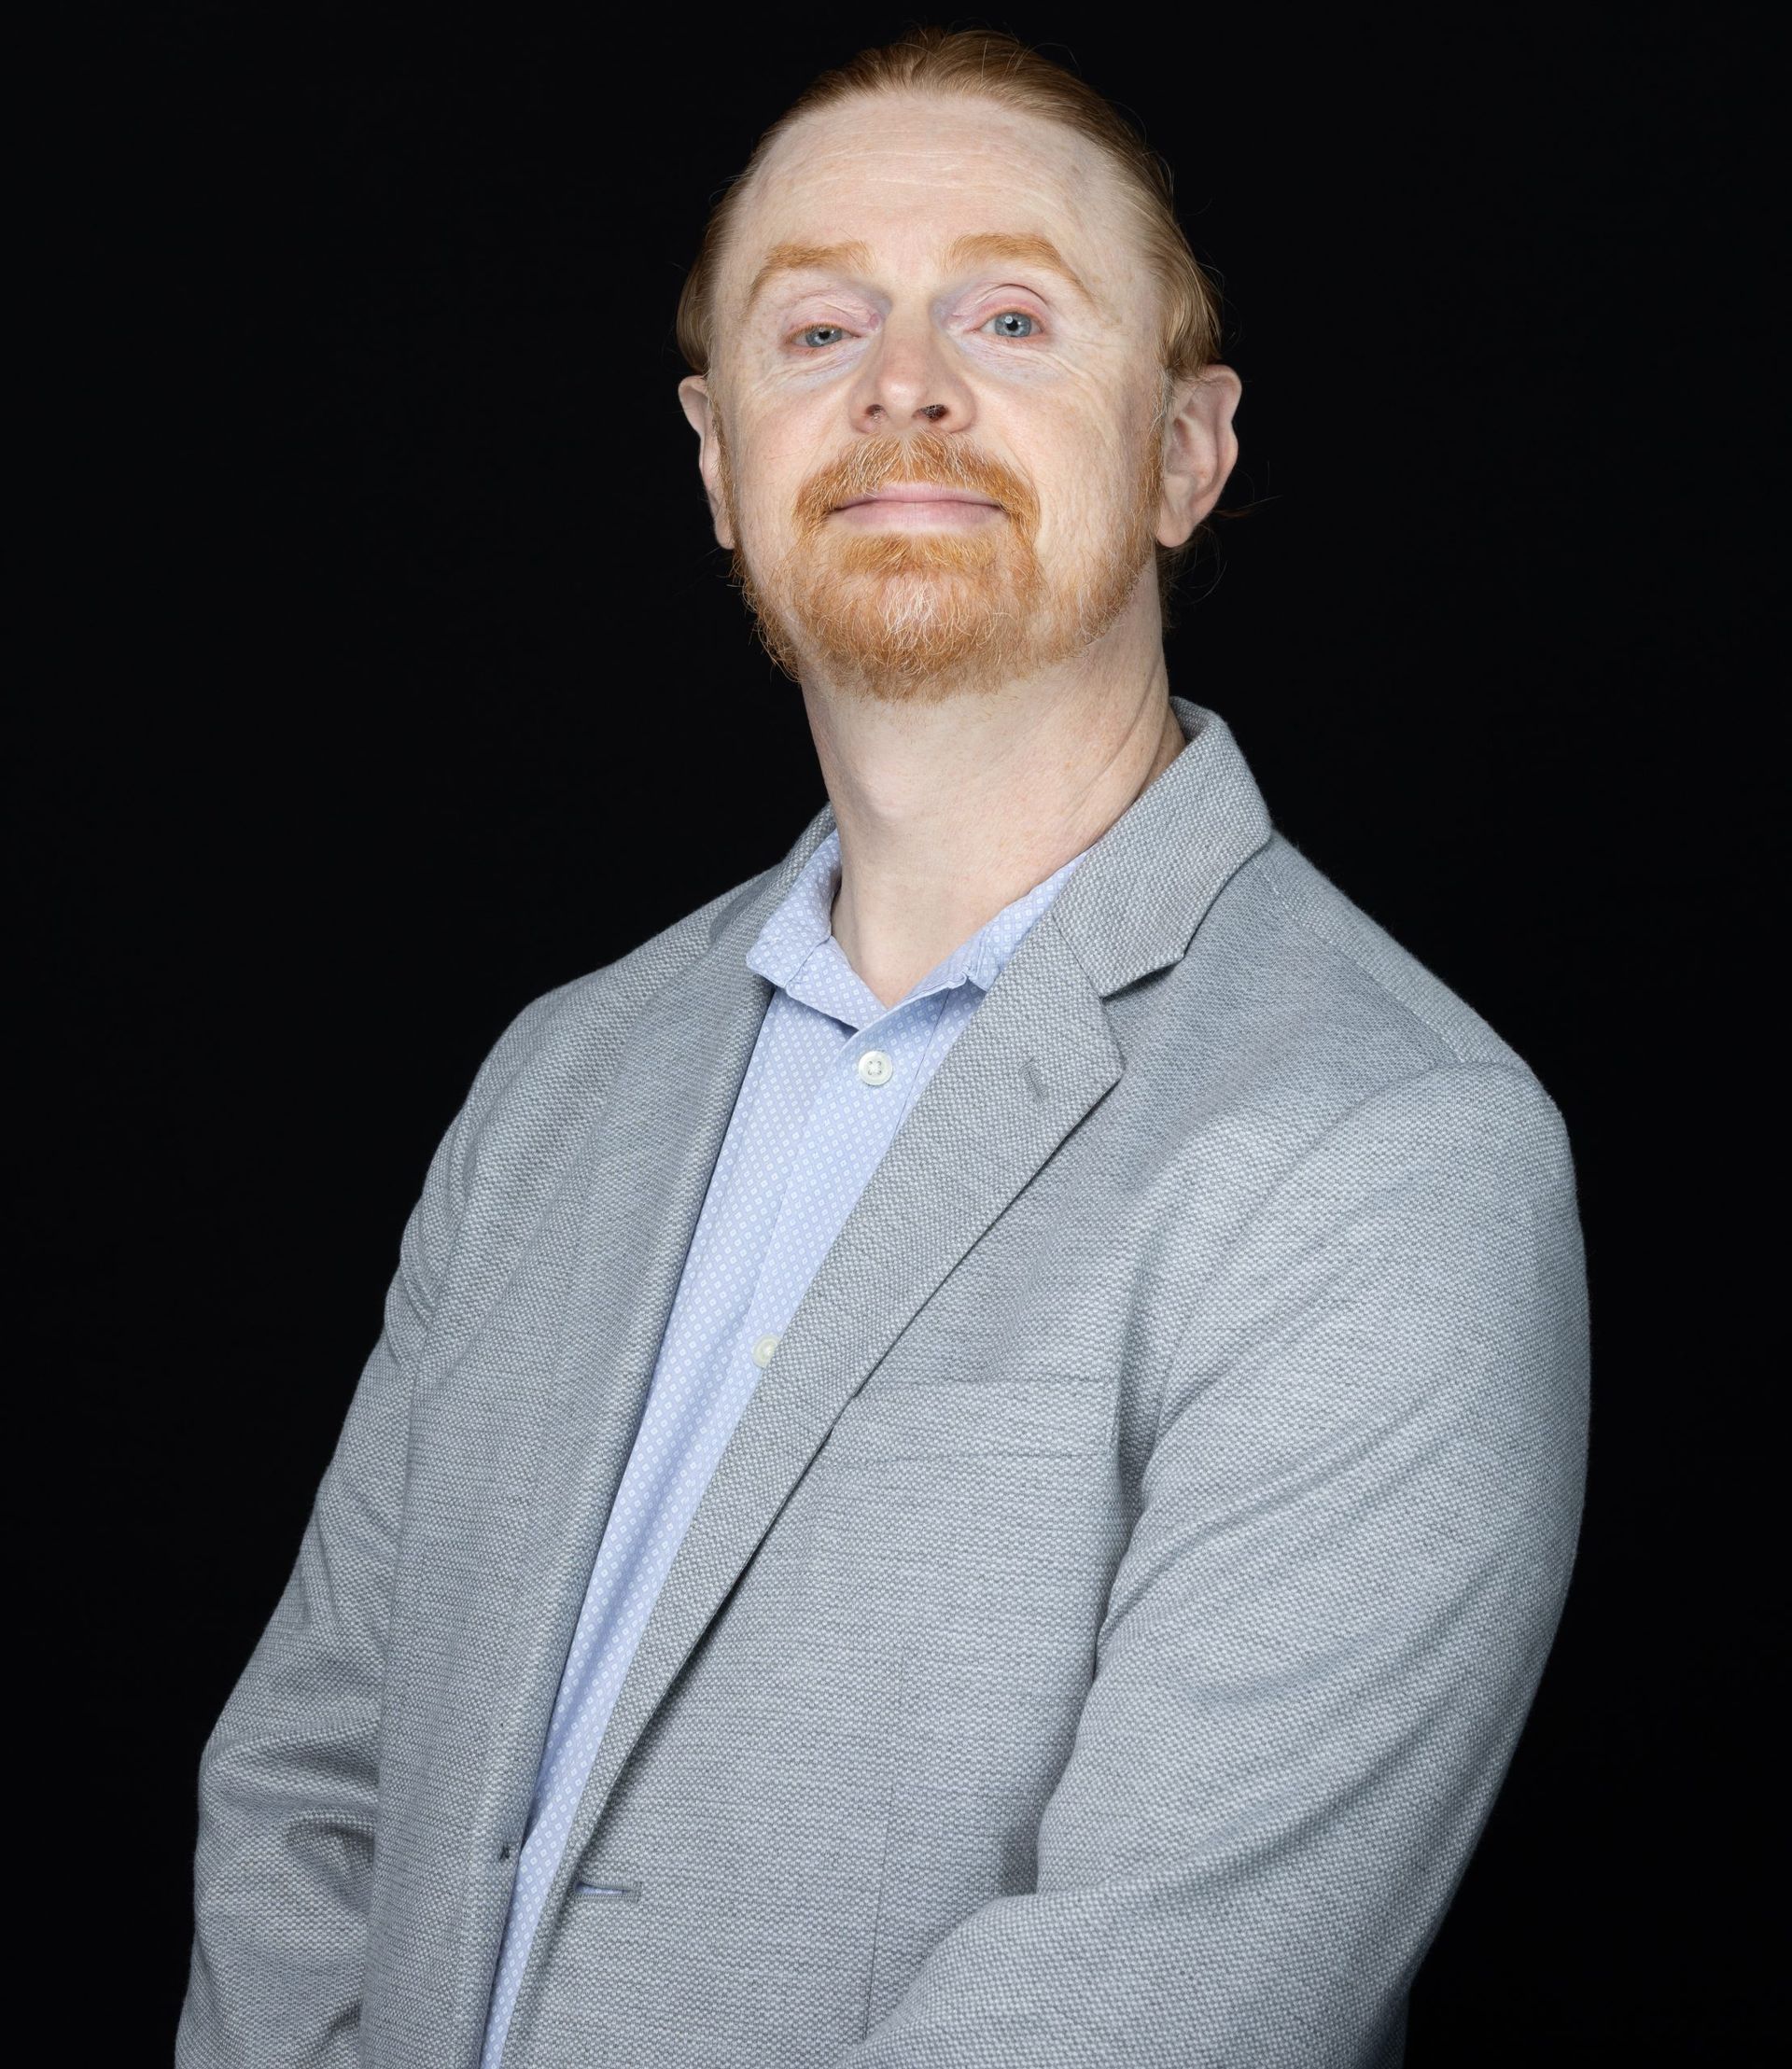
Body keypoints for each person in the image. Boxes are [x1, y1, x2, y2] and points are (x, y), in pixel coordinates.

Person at [177, 25, 1589, 2069]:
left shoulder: (1392, 1147)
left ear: (1188, 451)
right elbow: (306, 1799)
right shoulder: (553, 1086)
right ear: (720, 460)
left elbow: (1157, 2002)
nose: (901, 384)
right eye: (818, 322)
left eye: (1010, 314)